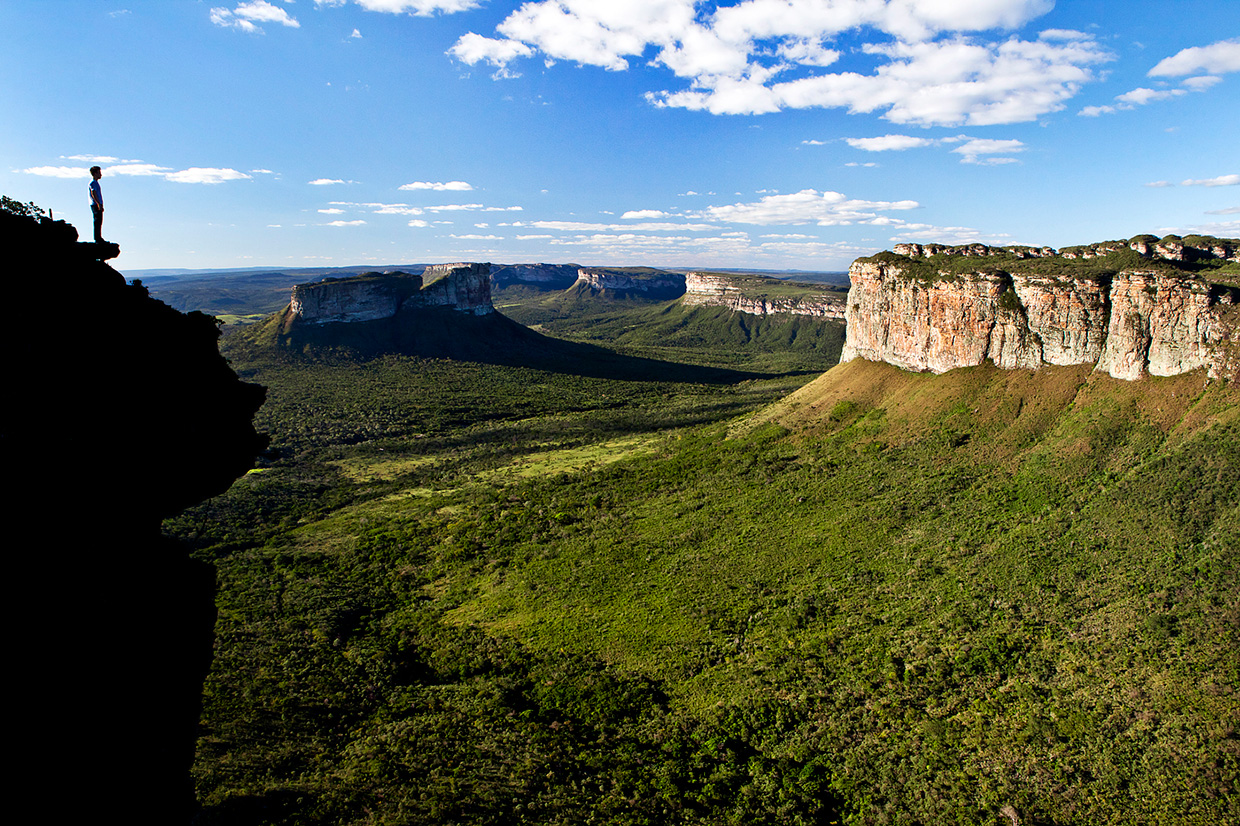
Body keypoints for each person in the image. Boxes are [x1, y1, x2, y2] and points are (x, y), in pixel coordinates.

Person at [89, 165, 105, 242]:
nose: (100, 174)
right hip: (95, 205)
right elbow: (93, 193)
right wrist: (98, 203)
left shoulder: (95, 183)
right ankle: (97, 238)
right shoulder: (93, 183)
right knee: (97, 221)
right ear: (95, 173)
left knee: (99, 221)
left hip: (97, 204)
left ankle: (98, 237)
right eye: (99, 173)